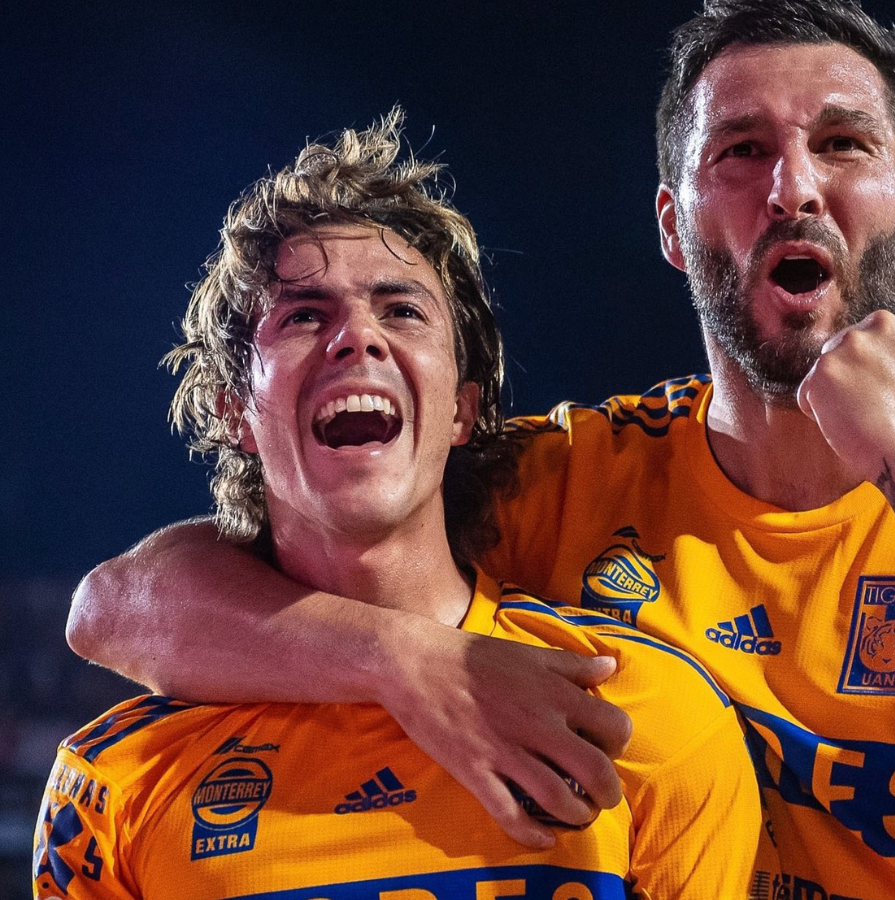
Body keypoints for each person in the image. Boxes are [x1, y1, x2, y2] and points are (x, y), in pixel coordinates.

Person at [67, 1, 895, 898]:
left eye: (842, 145)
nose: (792, 187)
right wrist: (402, 659)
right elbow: (120, 607)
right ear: (672, 226)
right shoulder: (568, 475)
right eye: (740, 151)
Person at [34, 109, 766, 899]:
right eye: (304, 315)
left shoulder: (648, 716)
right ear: (234, 411)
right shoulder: (115, 781)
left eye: (402, 309)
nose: (357, 337)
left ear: (461, 410)